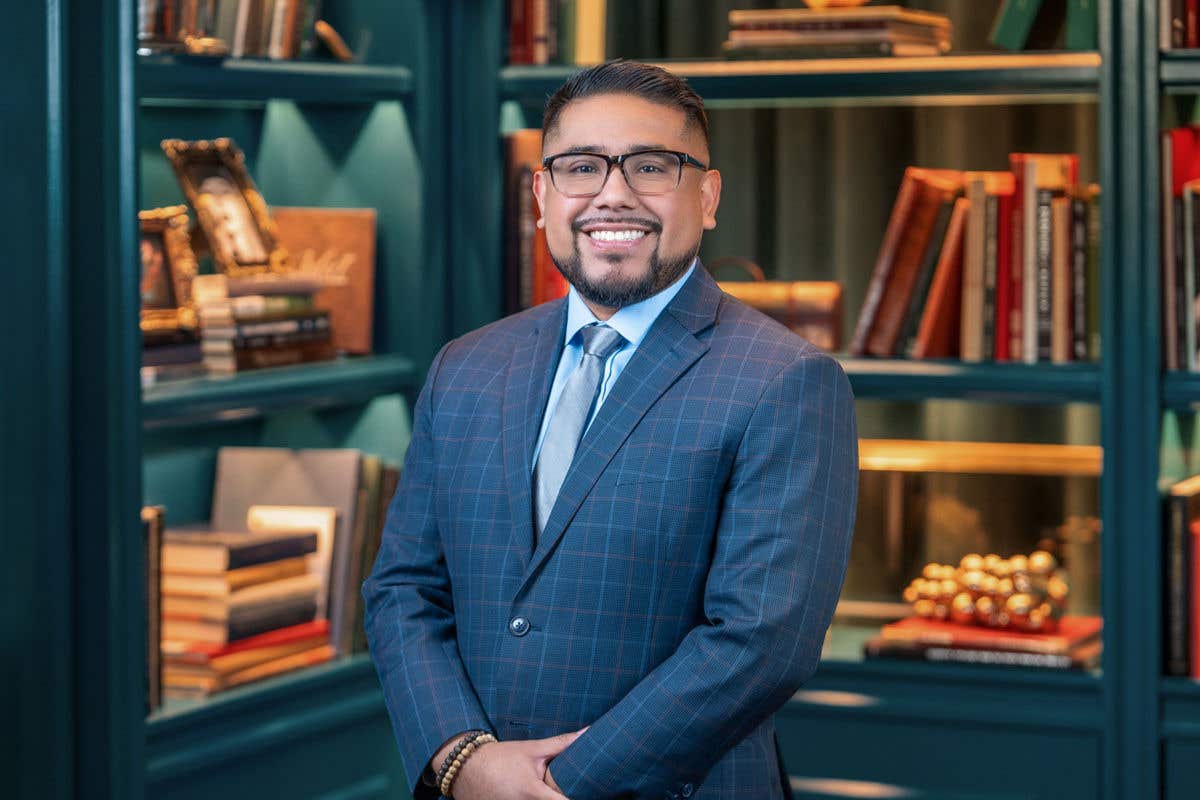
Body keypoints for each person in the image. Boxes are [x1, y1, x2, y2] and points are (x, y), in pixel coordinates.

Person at [363, 60, 858, 800]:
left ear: (709, 195)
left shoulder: (785, 379)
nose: (612, 194)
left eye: (652, 166)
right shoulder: (465, 366)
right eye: (581, 167)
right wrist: (464, 760)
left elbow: (760, 644)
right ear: (541, 194)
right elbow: (403, 588)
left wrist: (552, 786)